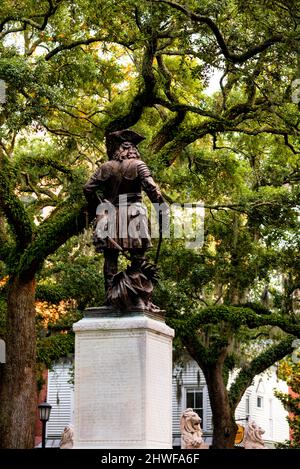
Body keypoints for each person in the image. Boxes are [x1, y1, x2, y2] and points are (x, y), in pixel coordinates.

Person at [83, 129, 167, 311]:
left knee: (110, 259)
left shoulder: (106, 167)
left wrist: (100, 206)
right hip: (134, 214)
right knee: (138, 257)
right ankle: (140, 297)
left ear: (117, 149)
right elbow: (153, 190)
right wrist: (162, 209)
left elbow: (88, 188)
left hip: (111, 215)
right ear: (132, 148)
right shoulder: (139, 165)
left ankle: (110, 298)